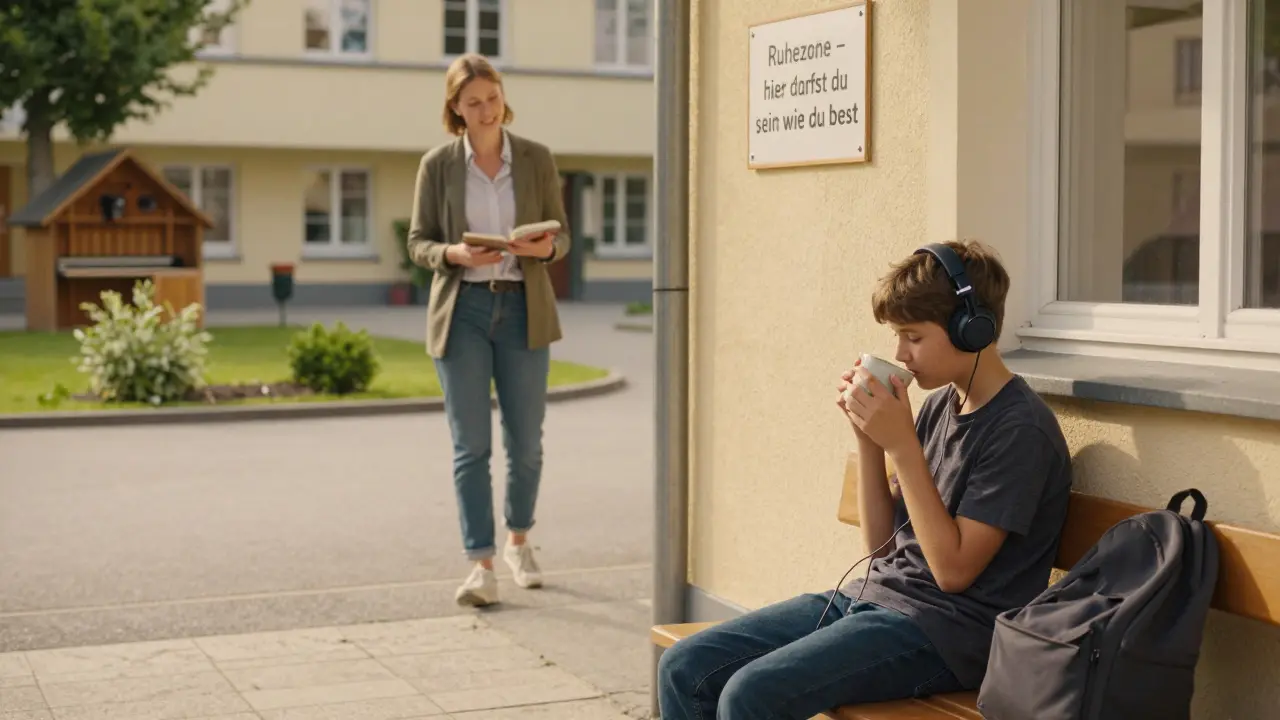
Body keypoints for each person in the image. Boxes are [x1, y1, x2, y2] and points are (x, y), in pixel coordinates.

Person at [656, 240, 1074, 718]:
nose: (901, 353)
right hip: (877, 601)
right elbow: (882, 548)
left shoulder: (1021, 431)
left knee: (750, 693)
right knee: (683, 666)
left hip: (951, 634)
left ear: (971, 330)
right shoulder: (942, 406)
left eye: (913, 337)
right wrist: (869, 441)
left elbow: (953, 573)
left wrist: (902, 447)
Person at [405, 53, 571, 608]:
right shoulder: (438, 165)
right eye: (473, 102)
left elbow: (562, 237)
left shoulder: (537, 158)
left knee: (525, 444)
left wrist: (544, 248)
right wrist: (454, 252)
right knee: (470, 446)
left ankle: (518, 540)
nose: (486, 110)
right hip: (465, 311)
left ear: (503, 97)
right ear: (455, 107)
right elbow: (418, 242)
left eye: (493, 97)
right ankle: (480, 564)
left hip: (524, 308)